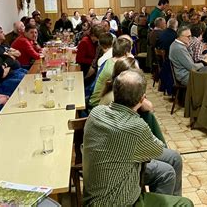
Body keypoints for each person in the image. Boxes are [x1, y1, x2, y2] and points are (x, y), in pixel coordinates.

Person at [83, 70, 193, 206]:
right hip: (116, 202)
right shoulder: (136, 127)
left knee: (171, 162)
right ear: (142, 99)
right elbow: (158, 149)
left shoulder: (96, 112)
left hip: (93, 193)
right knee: (185, 202)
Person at [169, 26, 207, 98]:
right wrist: (202, 64)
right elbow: (192, 67)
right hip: (186, 76)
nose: (190, 38)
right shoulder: (179, 48)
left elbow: (190, 60)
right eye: (188, 36)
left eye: (190, 36)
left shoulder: (177, 44)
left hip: (188, 72)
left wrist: (189, 49)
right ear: (180, 36)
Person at [89, 37, 133, 107]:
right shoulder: (117, 68)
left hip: (96, 101)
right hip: (98, 106)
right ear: (126, 53)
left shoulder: (109, 61)